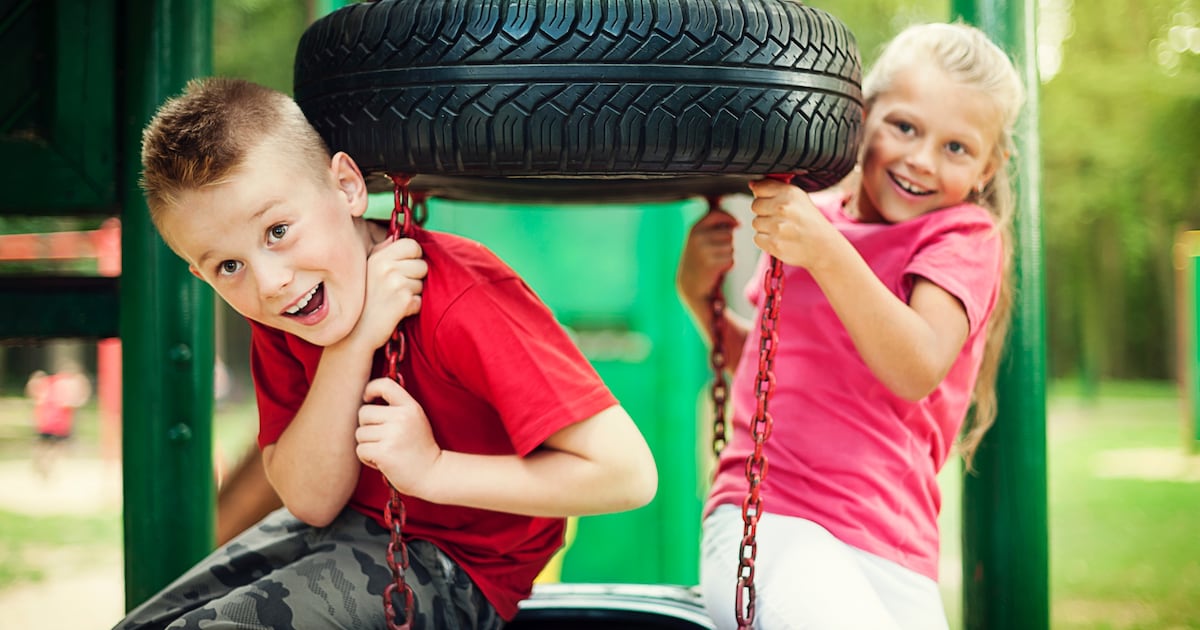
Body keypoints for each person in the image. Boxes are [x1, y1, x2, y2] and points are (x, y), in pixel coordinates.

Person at [117, 77, 658, 629]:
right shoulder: (281, 315)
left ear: (348, 188)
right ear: (199, 273)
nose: (271, 281)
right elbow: (312, 501)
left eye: (277, 230)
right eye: (227, 267)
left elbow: (627, 473)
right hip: (338, 528)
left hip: (460, 569)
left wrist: (433, 470)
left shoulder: (458, 299)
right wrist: (354, 343)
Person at [676, 23, 1025, 630]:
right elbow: (770, 363)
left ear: (987, 167)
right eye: (905, 127)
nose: (920, 159)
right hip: (769, 521)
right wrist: (693, 296)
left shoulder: (961, 238)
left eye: (956, 148)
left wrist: (826, 250)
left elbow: (915, 366)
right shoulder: (807, 224)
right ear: (859, 116)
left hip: (894, 546)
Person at [26, 363, 92, 480]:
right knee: (53, 446)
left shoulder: (51, 381)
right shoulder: (63, 383)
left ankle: (43, 466)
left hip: (49, 421)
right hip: (55, 421)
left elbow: (34, 388)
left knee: (47, 445)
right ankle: (44, 465)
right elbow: (71, 401)